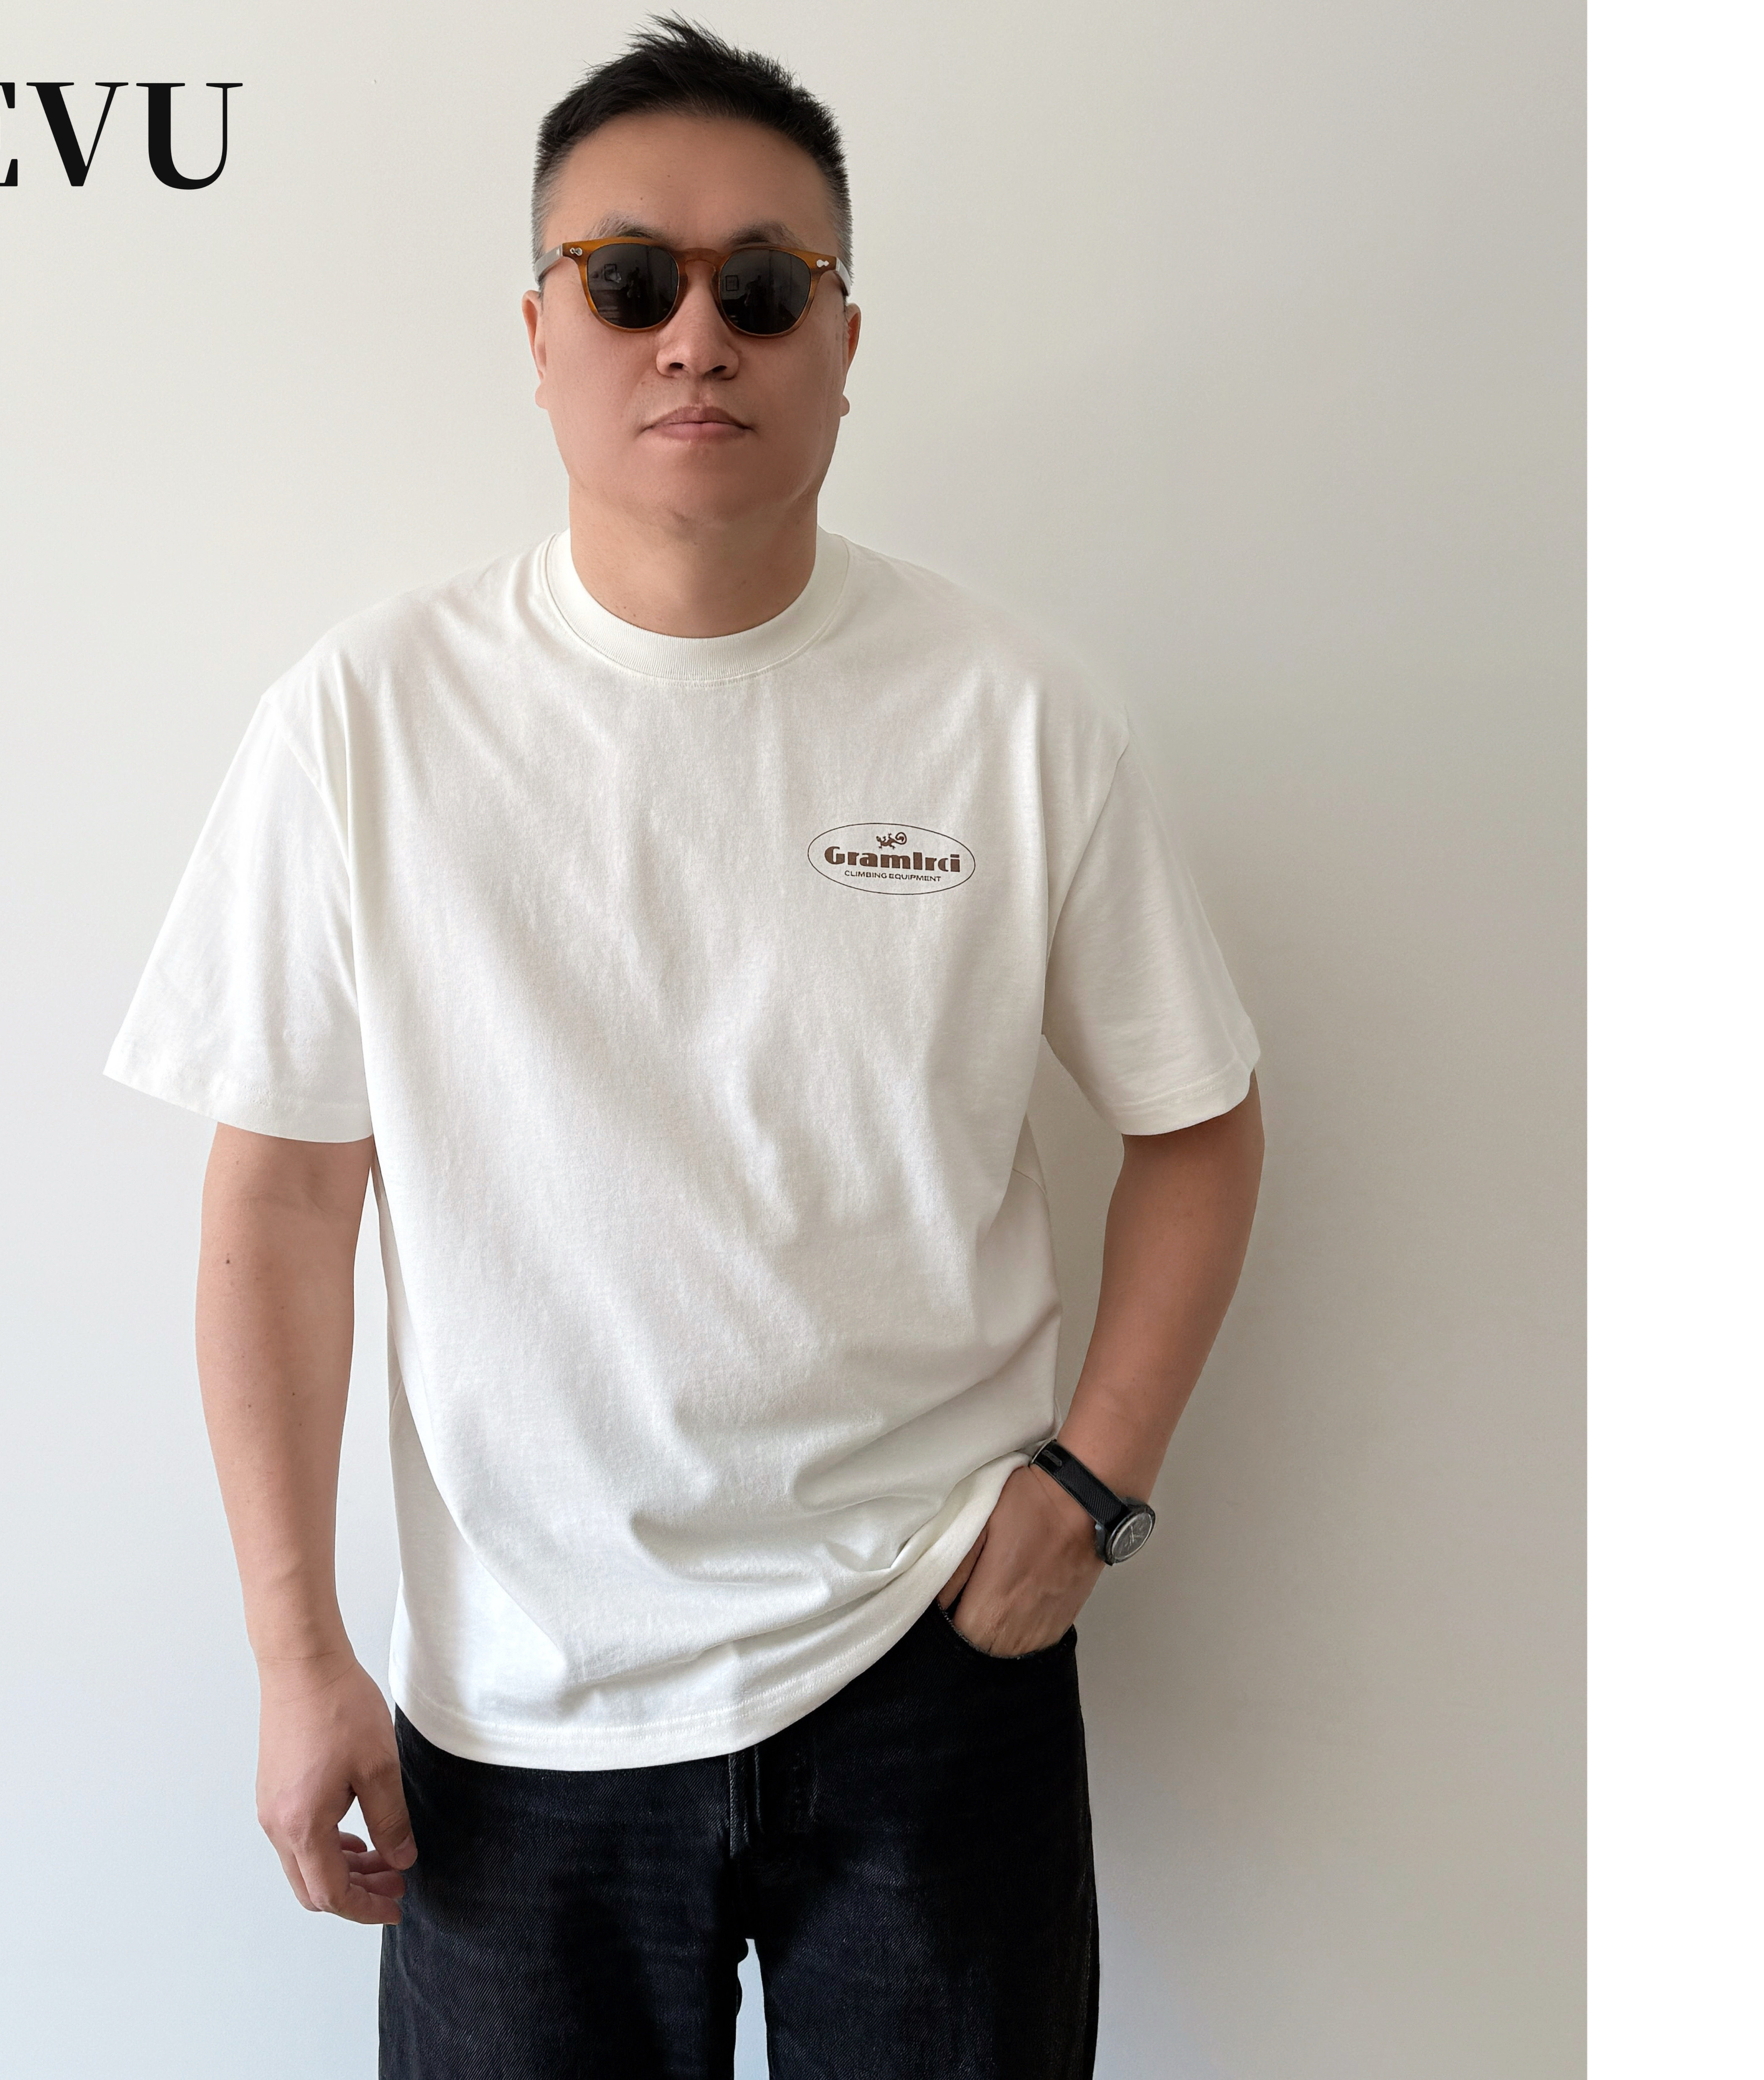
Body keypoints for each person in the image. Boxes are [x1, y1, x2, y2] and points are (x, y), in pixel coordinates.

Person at [107, 17, 1264, 2077]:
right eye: (628, 277)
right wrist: (297, 1651)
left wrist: (1094, 1479)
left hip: (930, 1652)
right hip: (515, 1700)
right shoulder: (365, 722)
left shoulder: (1009, 713)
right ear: (538, 330)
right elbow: (277, 1201)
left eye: (763, 286)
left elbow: (1196, 1119)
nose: (694, 336)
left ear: (843, 340)